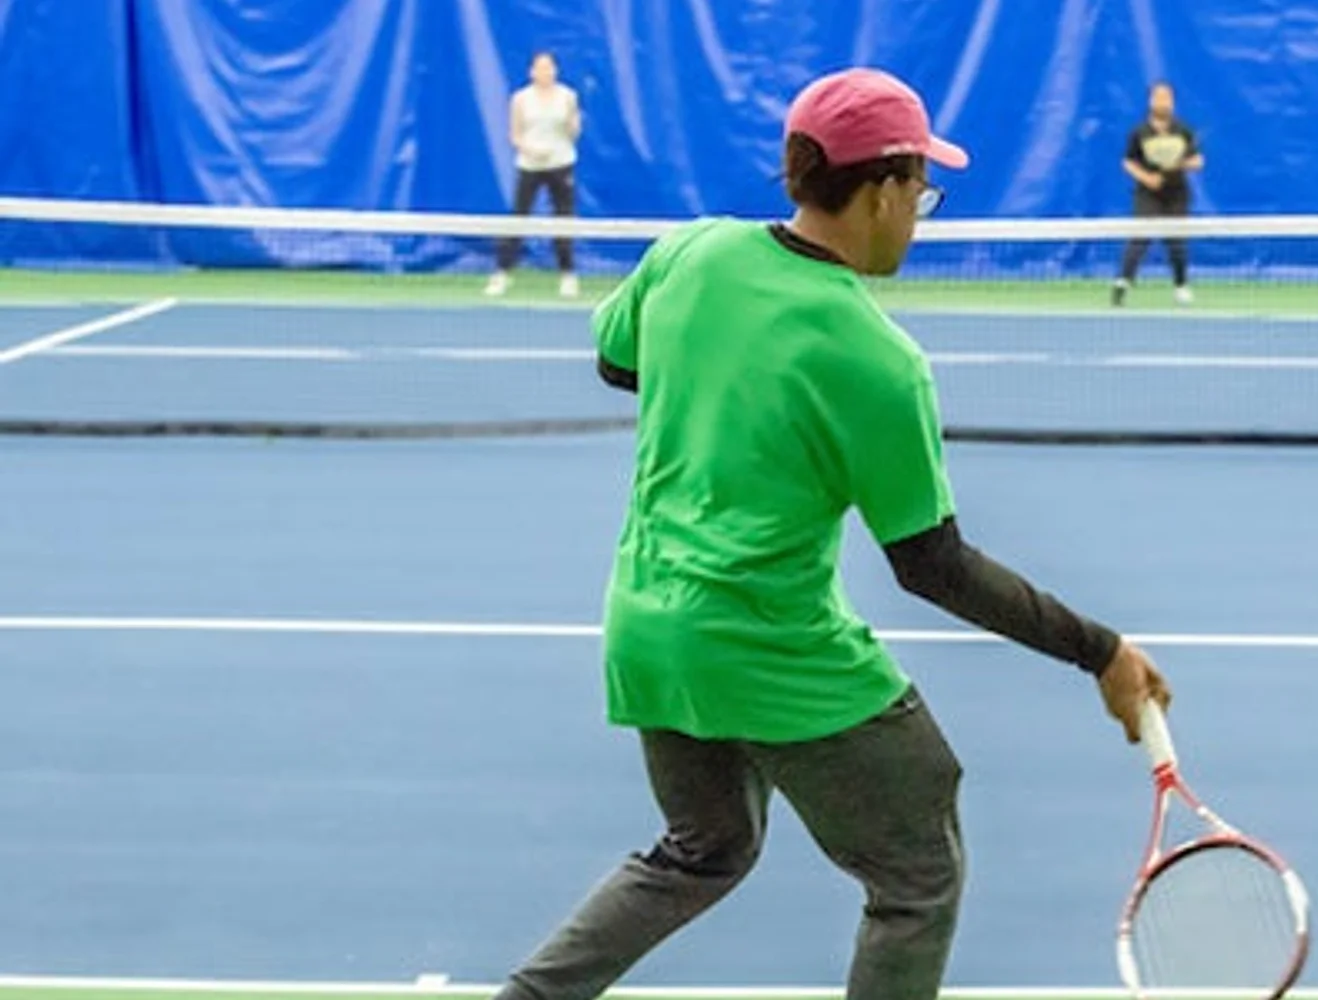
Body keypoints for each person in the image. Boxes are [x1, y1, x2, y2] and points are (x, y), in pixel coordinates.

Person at [488, 67, 1174, 1000]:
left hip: (652, 634)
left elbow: (620, 362)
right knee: (916, 871)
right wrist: (1100, 651)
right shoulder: (878, 362)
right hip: (773, 649)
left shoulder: (691, 252)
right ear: (883, 190)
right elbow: (933, 566)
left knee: (703, 850)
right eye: (920, 190)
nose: (919, 214)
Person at [487, 51, 584, 299]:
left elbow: (574, 132)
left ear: (555, 70)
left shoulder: (568, 96)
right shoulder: (521, 99)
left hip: (561, 163)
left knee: (563, 220)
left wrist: (572, 123)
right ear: (532, 72)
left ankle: (568, 276)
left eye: (549, 67)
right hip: (529, 164)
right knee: (518, 218)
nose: (545, 72)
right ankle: (502, 274)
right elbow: (515, 134)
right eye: (540, 68)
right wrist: (531, 150)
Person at [1112, 81, 1203, 307]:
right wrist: (1147, 178)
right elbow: (1128, 162)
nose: (1163, 102)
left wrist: (1182, 164)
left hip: (1177, 193)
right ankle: (1123, 282)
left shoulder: (1183, 130)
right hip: (1147, 193)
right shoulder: (1139, 132)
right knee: (1140, 236)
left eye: (1167, 98)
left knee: (1176, 240)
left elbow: (1198, 160)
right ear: (1150, 101)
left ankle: (1181, 286)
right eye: (1158, 98)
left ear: (1172, 102)